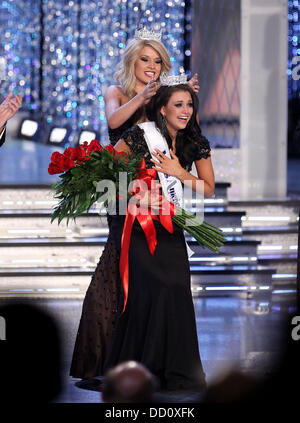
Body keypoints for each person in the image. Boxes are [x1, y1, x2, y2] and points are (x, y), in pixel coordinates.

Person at [70, 30, 199, 384]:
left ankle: (144, 357)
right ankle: (103, 362)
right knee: (117, 267)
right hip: (123, 190)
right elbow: (114, 122)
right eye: (145, 59)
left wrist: (185, 102)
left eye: (158, 61)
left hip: (159, 192)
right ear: (132, 62)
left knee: (145, 276)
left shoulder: (165, 96)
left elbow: (184, 141)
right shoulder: (118, 92)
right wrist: (142, 97)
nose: (152, 67)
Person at [102, 80, 214, 391]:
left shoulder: (196, 142)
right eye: (178, 105)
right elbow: (107, 175)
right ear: (163, 109)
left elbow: (207, 187)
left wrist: (180, 174)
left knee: (177, 287)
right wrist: (137, 195)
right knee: (150, 290)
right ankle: (140, 367)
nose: (185, 111)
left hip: (170, 222)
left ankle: (178, 370)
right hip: (137, 224)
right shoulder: (141, 136)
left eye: (189, 105)